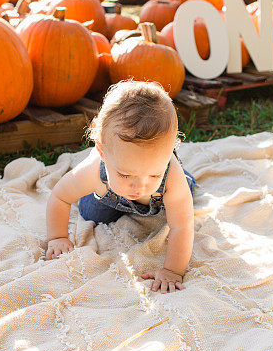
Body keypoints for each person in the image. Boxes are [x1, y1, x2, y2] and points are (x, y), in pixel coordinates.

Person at [45, 80, 197, 293]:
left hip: (161, 197)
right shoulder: (93, 170)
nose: (140, 185)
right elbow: (60, 197)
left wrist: (172, 270)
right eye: (126, 174)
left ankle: (178, 178)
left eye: (153, 174)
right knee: (90, 212)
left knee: (185, 199)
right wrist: (58, 237)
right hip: (109, 191)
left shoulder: (171, 175)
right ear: (102, 152)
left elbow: (182, 227)